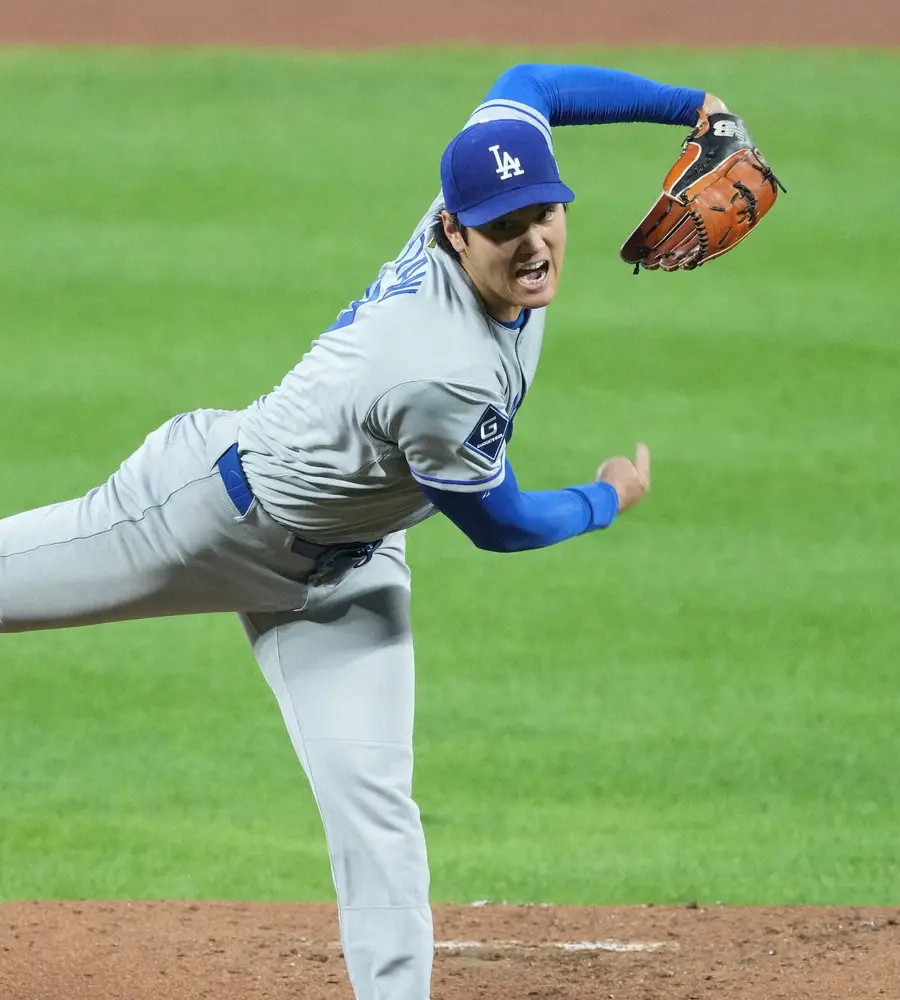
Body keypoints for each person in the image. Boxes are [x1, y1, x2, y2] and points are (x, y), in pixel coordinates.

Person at [1, 63, 727, 999]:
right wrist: (605, 499)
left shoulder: (482, 191)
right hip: (203, 520)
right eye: (505, 227)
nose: (534, 243)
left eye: (546, 212)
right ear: (454, 230)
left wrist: (690, 107)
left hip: (349, 573)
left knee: (375, 810)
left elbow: (530, 83)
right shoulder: (440, 367)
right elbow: (501, 525)